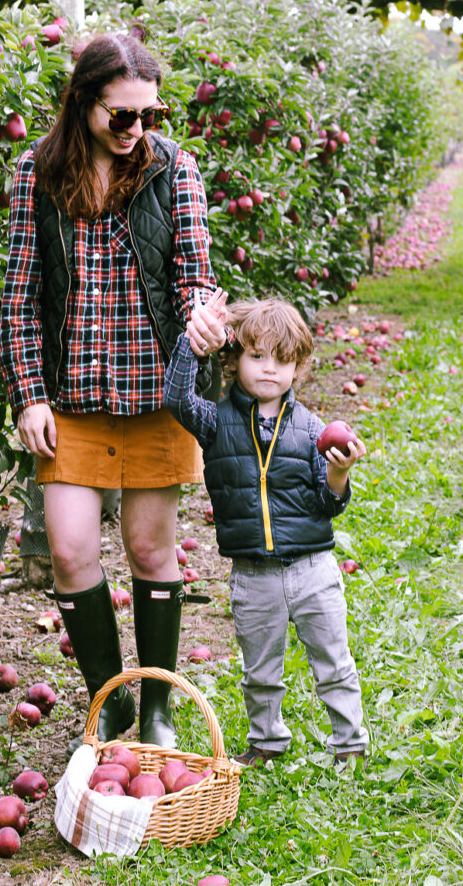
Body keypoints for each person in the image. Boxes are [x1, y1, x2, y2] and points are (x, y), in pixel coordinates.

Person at [0, 32, 225, 749]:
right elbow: (20, 297)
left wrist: (202, 318)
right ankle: (111, 704)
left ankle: (156, 706)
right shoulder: (36, 173)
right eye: (121, 116)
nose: (136, 131)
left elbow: (193, 273)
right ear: (82, 104)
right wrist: (30, 394)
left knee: (150, 550)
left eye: (148, 115)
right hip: (72, 398)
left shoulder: (173, 170)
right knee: (69, 551)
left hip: (154, 396)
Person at [163, 293, 370, 767]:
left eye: (283, 360)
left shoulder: (312, 429)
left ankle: (350, 743)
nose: (270, 369)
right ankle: (267, 741)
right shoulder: (215, 422)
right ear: (235, 359)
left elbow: (328, 504)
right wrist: (193, 345)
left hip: (313, 568)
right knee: (260, 671)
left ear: (298, 367)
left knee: (334, 660)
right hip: (252, 574)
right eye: (258, 357)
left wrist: (339, 474)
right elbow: (175, 397)